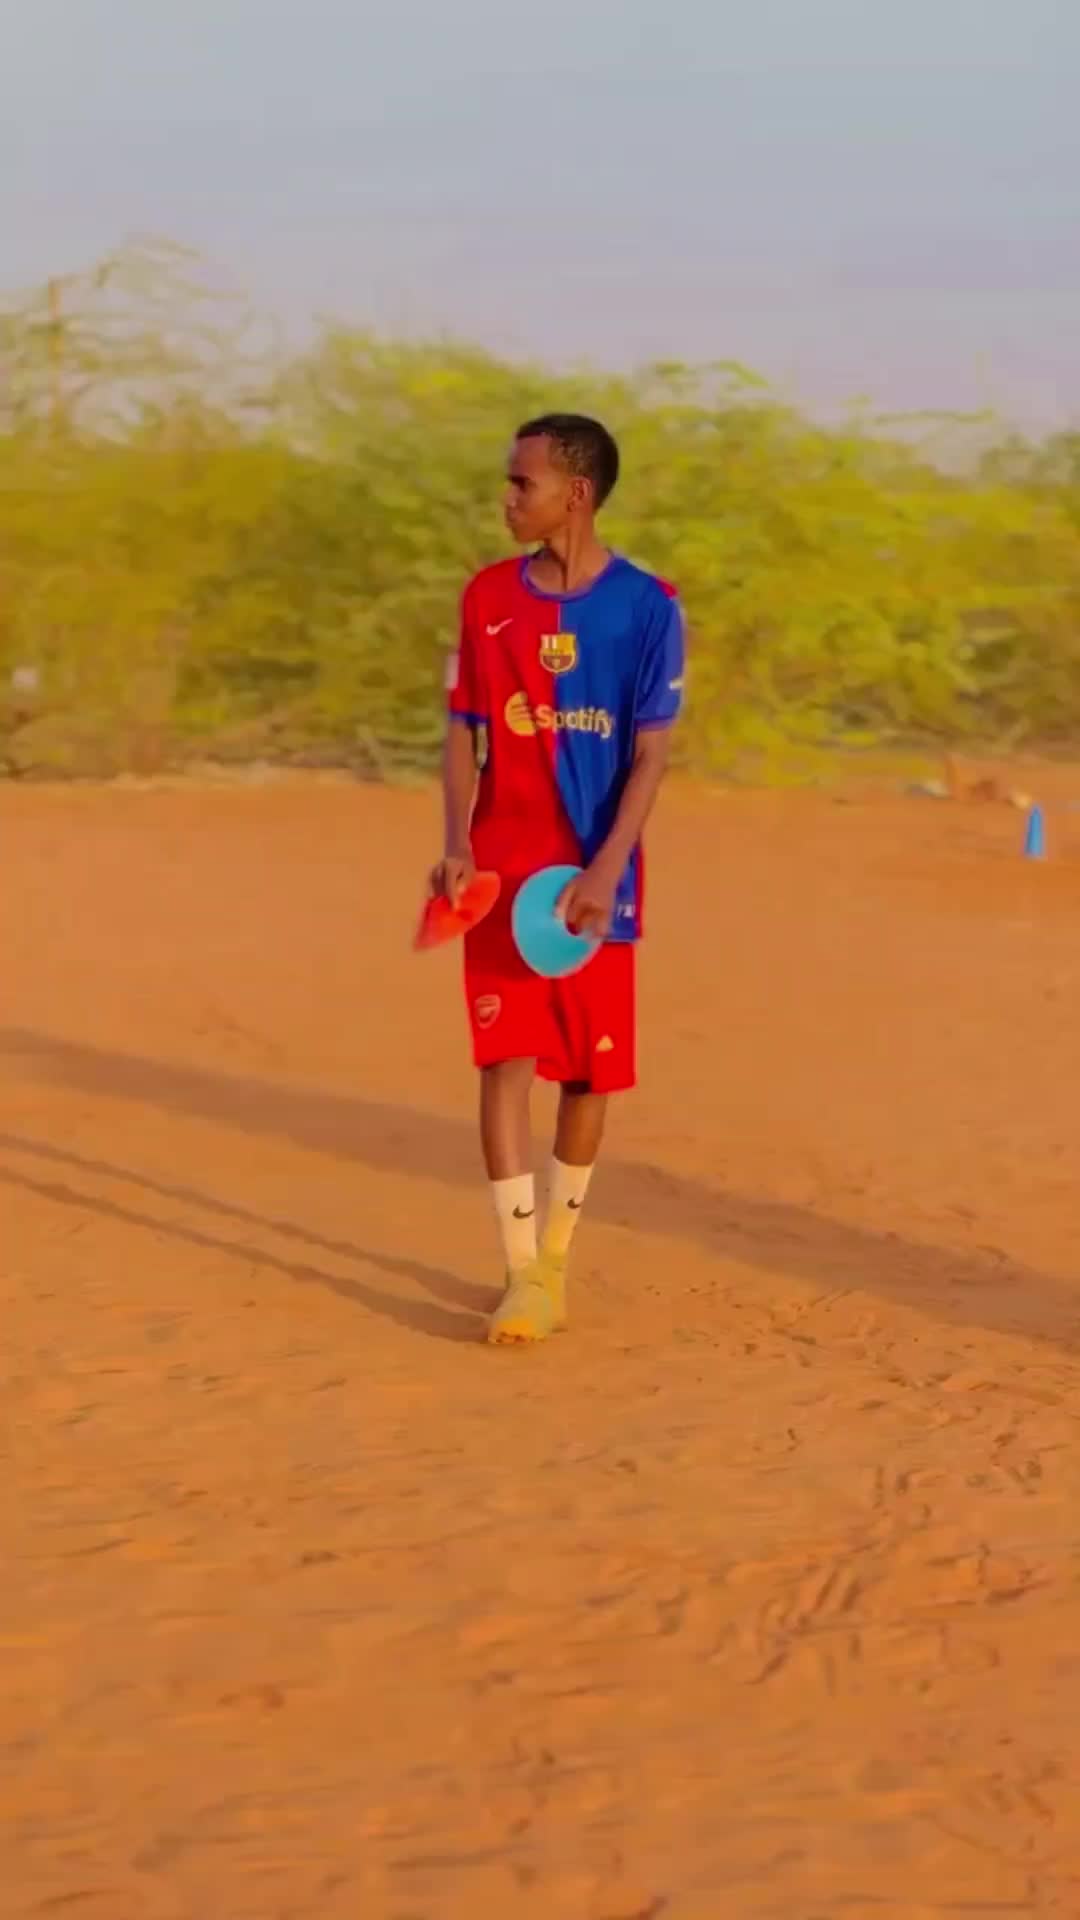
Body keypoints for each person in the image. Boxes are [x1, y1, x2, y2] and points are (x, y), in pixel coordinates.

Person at [431, 413, 684, 1345]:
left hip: (594, 879)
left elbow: (651, 754)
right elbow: (463, 730)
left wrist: (609, 868)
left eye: (521, 483)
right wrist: (458, 841)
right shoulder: (487, 597)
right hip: (505, 874)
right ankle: (518, 1274)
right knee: (503, 1063)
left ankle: (556, 1264)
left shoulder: (650, 607)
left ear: (574, 494)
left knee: (586, 1074)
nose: (507, 498)